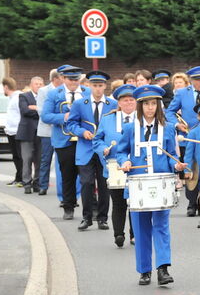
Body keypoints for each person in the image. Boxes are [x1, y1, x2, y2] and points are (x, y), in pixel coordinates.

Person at [116, 85, 187, 286]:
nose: (149, 108)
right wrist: (125, 162)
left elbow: (171, 155)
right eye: (146, 104)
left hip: (161, 184)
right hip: (138, 185)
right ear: (140, 106)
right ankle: (144, 270)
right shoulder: (130, 128)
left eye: (153, 104)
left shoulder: (167, 128)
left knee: (162, 226)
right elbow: (121, 152)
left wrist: (177, 165)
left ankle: (163, 269)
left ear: (158, 105)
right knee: (141, 228)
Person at [66, 70, 116, 231]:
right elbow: (71, 124)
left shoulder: (112, 104)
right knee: (86, 183)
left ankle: (102, 218)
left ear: (105, 86)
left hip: (104, 150)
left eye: (100, 86)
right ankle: (87, 217)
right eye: (94, 85)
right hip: (85, 149)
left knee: (104, 185)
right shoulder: (80, 103)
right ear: (89, 86)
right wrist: (82, 132)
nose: (98, 89)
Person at [42, 65, 91, 220]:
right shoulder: (54, 93)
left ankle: (92, 209)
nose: (73, 82)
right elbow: (46, 116)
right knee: (67, 175)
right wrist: (64, 117)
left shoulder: (87, 92)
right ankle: (68, 207)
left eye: (76, 79)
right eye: (70, 79)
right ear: (62, 78)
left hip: (84, 139)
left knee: (88, 176)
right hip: (64, 140)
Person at [166, 66, 200, 217]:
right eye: (197, 79)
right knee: (191, 169)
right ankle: (191, 203)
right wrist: (176, 124)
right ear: (191, 81)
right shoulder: (182, 93)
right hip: (188, 136)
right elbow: (169, 111)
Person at [93, 84, 137, 247]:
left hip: (135, 166)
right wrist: (103, 149)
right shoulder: (107, 119)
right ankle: (119, 234)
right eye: (125, 101)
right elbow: (96, 140)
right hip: (114, 167)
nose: (128, 103)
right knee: (118, 202)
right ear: (119, 103)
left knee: (134, 201)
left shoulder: (141, 119)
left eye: (132, 100)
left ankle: (134, 235)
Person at [36, 68, 63, 196]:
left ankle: (62, 188)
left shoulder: (65, 91)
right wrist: (57, 119)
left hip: (62, 131)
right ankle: (43, 185)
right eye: (62, 77)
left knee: (62, 161)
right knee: (46, 159)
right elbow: (41, 111)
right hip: (47, 130)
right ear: (56, 79)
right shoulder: (43, 91)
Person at [17, 76, 44, 194]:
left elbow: (47, 112)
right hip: (26, 132)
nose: (38, 86)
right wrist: (40, 111)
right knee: (27, 159)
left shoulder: (45, 97)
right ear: (31, 85)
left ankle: (37, 183)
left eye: (40, 84)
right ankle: (27, 183)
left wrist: (36, 108)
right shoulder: (24, 96)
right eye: (36, 84)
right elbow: (25, 111)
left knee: (39, 159)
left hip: (41, 132)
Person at [2, 77, 23, 187]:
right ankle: (18, 177)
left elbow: (21, 115)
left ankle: (21, 178)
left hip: (16, 132)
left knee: (19, 156)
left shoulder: (18, 97)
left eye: (3, 87)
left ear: (6, 87)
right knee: (15, 156)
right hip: (11, 131)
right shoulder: (11, 98)